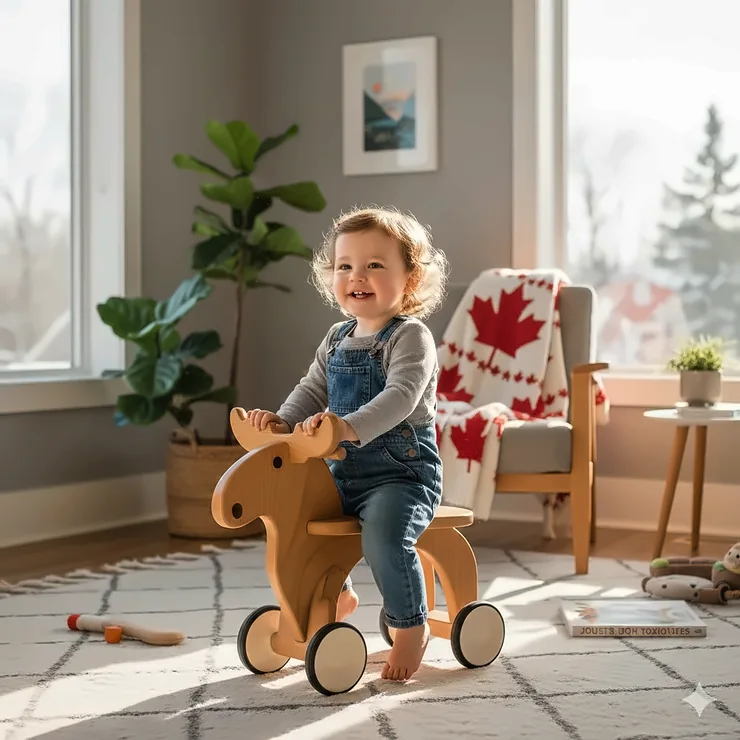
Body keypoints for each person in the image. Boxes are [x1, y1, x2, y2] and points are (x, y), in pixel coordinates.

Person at [245, 206, 448, 681]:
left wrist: (345, 428)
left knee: (384, 538)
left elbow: (401, 397)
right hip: (342, 474)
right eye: (345, 266)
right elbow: (312, 388)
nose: (358, 275)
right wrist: (281, 421)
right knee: (298, 523)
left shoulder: (411, 337)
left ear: (410, 278)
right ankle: (333, 598)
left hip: (402, 476)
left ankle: (410, 625)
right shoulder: (336, 338)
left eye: (375, 265)